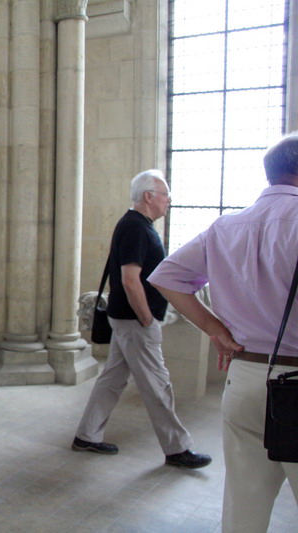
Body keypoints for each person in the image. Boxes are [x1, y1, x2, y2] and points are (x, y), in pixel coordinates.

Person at [149, 133, 298, 532]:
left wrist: (216, 329)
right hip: (296, 377)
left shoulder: (226, 226)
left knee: (243, 505)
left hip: (246, 376)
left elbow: (168, 277)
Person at [71, 170, 211, 469]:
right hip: (135, 322)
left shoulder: (136, 224)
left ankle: (87, 435)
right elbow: (130, 280)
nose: (168, 202)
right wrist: (147, 318)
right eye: (165, 195)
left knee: (112, 379)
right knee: (157, 384)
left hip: (127, 320)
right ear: (149, 196)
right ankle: (178, 449)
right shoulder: (136, 227)